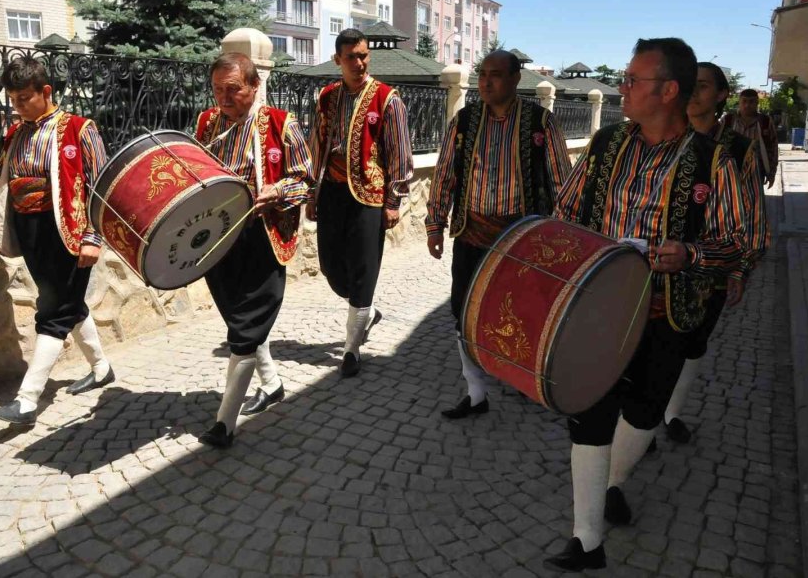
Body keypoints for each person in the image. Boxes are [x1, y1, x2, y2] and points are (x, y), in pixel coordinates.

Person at [546, 38, 747, 572]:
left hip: (667, 311)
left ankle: (612, 481)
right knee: (589, 414)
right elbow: (564, 209)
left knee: (644, 414)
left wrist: (692, 253)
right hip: (598, 309)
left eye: (634, 80)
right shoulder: (606, 141)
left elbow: (741, 240)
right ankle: (587, 540)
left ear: (669, 91)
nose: (623, 88)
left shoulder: (715, 159)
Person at [426, 50, 571, 419]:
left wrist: (562, 238)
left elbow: (561, 182)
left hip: (521, 239)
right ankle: (476, 391)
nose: (486, 82)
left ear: (515, 79)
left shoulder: (540, 122)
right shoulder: (465, 120)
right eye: (482, 75)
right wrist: (435, 223)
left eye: (496, 75)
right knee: (464, 310)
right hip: (471, 231)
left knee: (521, 312)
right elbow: (445, 173)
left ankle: (522, 376)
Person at [0, 57, 114, 426]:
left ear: (46, 92)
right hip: (30, 232)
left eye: (25, 97)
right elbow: (4, 188)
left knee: (53, 312)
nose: (18, 105)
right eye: (13, 98)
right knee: (67, 304)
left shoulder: (78, 129)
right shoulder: (14, 133)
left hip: (69, 236)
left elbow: (101, 188)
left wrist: (93, 236)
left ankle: (26, 401)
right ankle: (101, 369)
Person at [195, 53, 314, 448]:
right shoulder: (205, 124)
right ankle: (273, 384)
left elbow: (304, 181)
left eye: (233, 90)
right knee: (237, 319)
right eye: (217, 90)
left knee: (245, 328)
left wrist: (277, 191)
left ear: (254, 86)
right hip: (218, 238)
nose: (224, 99)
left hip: (261, 237)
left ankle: (224, 423)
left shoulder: (282, 124)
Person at [656, 62, 769, 447]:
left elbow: (752, 214)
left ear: (721, 95)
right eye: (689, 84)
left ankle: (670, 413)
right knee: (649, 343)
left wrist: (741, 271)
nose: (694, 93)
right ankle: (639, 421)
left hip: (713, 266)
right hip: (660, 263)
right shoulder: (663, 136)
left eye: (703, 86)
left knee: (693, 344)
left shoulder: (738, 150)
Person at [307, 28, 414, 377]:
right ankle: (367, 311)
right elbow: (316, 146)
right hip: (334, 193)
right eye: (352, 57)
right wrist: (312, 192)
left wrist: (393, 200)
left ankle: (351, 347)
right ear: (338, 59)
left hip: (370, 194)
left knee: (365, 266)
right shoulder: (326, 97)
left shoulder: (387, 98)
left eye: (364, 55)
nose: (360, 62)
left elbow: (399, 151)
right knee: (332, 269)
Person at [723, 88, 779, 188]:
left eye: (751, 102)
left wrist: (772, 173)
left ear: (757, 103)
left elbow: (773, 148)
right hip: (730, 171)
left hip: (756, 171)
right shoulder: (728, 120)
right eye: (744, 101)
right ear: (739, 102)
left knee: (755, 202)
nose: (747, 105)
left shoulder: (765, 122)